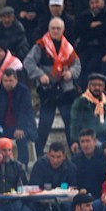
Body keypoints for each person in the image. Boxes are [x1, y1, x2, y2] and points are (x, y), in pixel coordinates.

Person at [25, 17, 81, 154]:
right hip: (48, 91)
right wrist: (40, 75)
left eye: (58, 28)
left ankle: (74, 155)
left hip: (65, 91)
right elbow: (28, 62)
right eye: (53, 28)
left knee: (70, 123)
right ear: (49, 29)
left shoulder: (68, 47)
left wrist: (71, 74)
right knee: (44, 125)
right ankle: (38, 155)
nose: (55, 31)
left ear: (63, 30)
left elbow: (77, 65)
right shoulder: (41, 45)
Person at [0, 68, 36, 167]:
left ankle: (22, 167)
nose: (8, 83)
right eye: (5, 81)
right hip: (5, 127)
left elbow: (25, 111)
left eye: (10, 81)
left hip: (24, 126)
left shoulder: (24, 91)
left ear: (16, 80)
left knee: (20, 138)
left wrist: (20, 127)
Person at [70, 73, 106, 146]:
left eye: (100, 85)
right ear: (88, 86)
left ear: (104, 87)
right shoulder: (81, 101)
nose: (97, 87)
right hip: (87, 138)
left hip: (104, 138)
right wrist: (75, 141)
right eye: (94, 85)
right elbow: (75, 121)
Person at [71, 129, 106, 196]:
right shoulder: (75, 159)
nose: (85, 145)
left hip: (100, 195)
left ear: (95, 142)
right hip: (81, 195)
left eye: (88, 141)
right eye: (82, 141)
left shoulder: (104, 157)